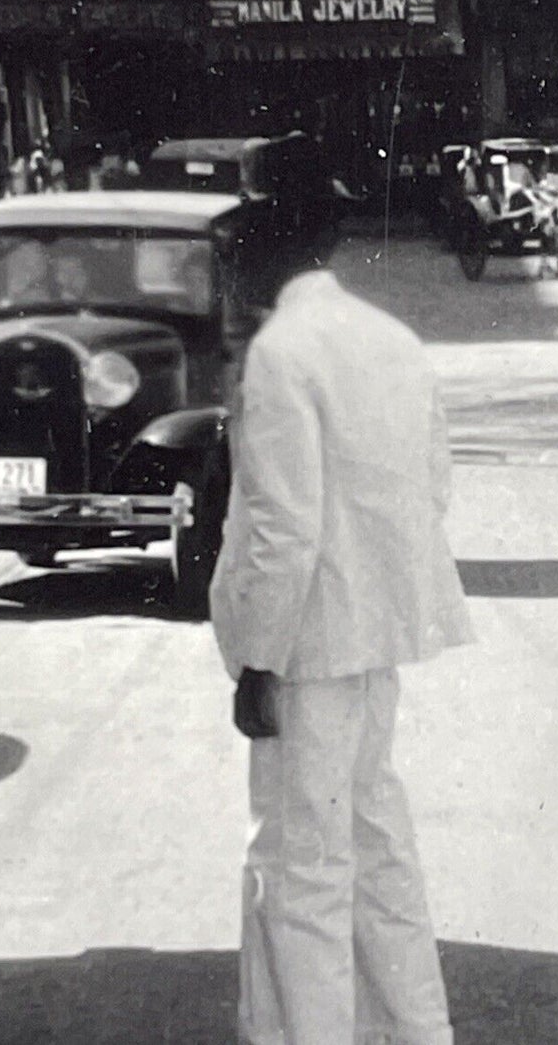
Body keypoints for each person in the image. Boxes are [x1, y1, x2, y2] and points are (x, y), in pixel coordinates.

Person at [209, 193, 474, 1045]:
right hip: (372, 634)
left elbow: (283, 530)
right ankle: (416, 1031)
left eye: (231, 257)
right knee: (377, 849)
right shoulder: (388, 337)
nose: (224, 277)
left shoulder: (280, 354)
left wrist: (258, 658)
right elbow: (431, 484)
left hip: (305, 650)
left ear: (264, 256)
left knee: (301, 869)